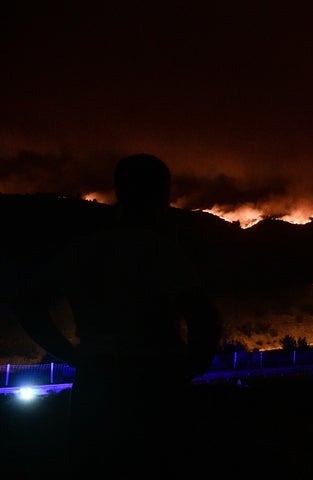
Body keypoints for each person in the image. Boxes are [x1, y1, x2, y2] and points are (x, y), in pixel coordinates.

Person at [9, 153, 221, 475]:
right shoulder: (162, 252)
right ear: (161, 195)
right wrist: (189, 366)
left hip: (97, 382)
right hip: (155, 383)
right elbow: (202, 317)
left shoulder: (83, 250)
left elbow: (28, 303)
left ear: (120, 191)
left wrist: (68, 352)